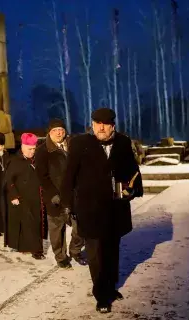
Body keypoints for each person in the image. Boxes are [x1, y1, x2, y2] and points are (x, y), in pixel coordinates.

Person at [60, 108, 143, 313]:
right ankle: (102, 296)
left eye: (105, 124)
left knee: (112, 251)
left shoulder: (123, 142)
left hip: (116, 209)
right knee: (96, 255)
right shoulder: (79, 144)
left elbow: (132, 171)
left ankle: (110, 287)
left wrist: (132, 188)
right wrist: (67, 205)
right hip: (90, 210)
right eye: (97, 123)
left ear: (113, 125)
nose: (101, 127)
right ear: (92, 125)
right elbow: (69, 176)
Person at [35, 118, 86, 268]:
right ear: (49, 133)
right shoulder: (43, 151)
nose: (59, 133)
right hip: (55, 197)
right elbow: (41, 176)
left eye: (61, 130)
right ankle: (61, 257)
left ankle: (75, 251)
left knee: (80, 227)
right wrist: (52, 194)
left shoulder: (73, 146)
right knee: (57, 231)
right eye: (55, 130)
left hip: (75, 195)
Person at [4, 133, 47, 260]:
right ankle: (35, 250)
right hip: (22, 198)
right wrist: (13, 196)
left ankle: (36, 249)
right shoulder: (14, 161)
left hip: (37, 198)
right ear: (23, 147)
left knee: (35, 225)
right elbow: (8, 180)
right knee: (27, 225)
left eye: (34, 149)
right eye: (29, 149)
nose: (32, 152)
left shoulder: (37, 159)